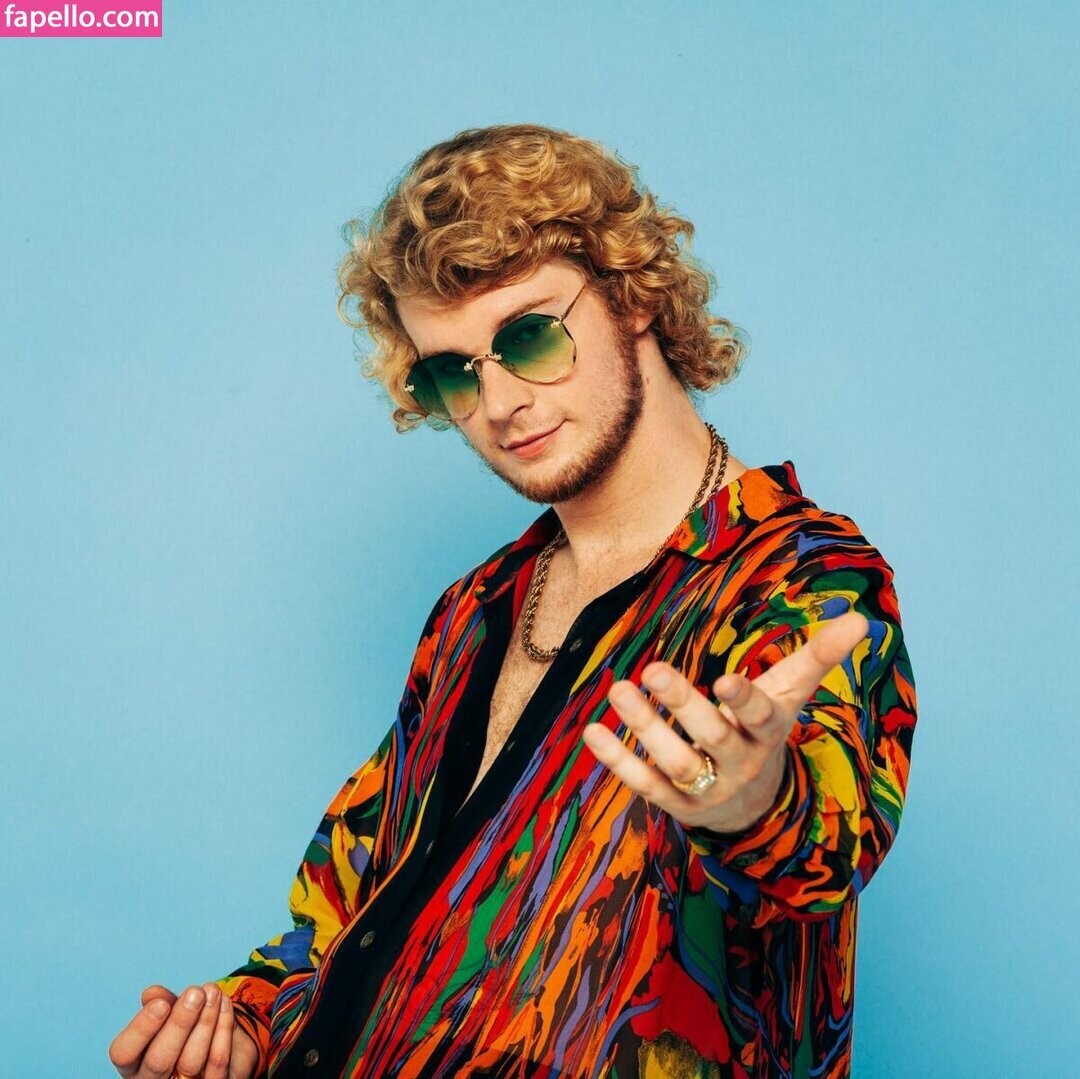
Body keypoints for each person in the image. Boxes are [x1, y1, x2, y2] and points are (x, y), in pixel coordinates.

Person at [108, 124, 917, 1079]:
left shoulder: (802, 575)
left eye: (528, 336)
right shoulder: (479, 605)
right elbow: (353, 908)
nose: (498, 404)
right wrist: (243, 1029)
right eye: (454, 370)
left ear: (633, 296)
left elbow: (827, 841)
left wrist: (754, 799)